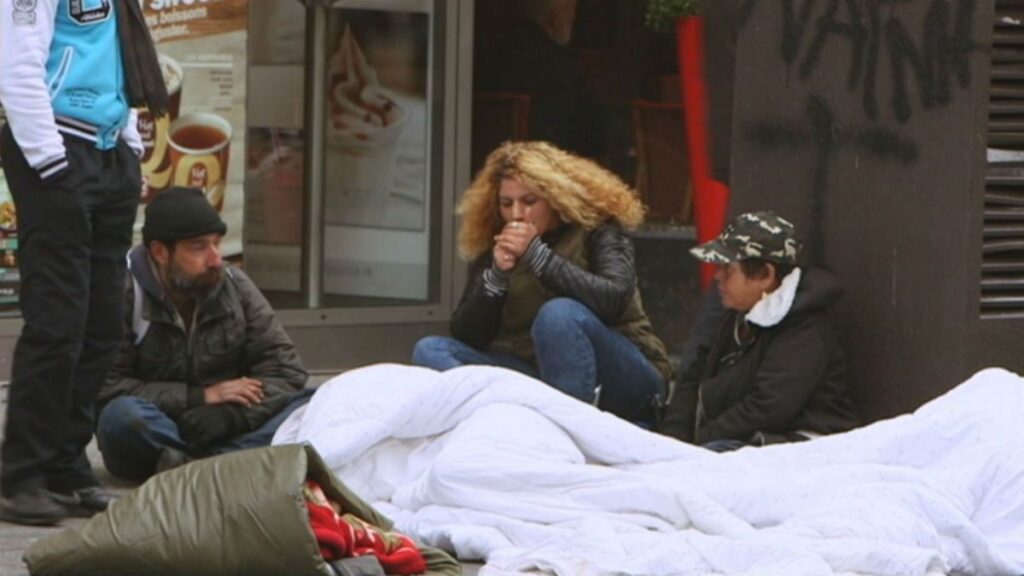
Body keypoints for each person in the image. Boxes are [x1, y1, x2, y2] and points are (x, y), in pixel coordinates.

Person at [0, 0, 168, 524]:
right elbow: (17, 67)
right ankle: (20, 475)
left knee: (102, 325)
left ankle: (64, 462)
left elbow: (117, 57)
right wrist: (49, 159)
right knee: (57, 323)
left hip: (107, 149)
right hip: (58, 147)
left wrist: (128, 145)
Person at [413, 141, 672, 424]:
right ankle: (513, 420)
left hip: (626, 372)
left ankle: (565, 428)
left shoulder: (599, 230)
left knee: (558, 314)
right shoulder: (498, 243)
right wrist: (496, 277)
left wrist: (538, 256)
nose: (517, 214)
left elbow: (613, 299)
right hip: (540, 375)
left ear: (555, 198)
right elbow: (468, 335)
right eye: (506, 204)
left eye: (529, 201)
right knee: (431, 350)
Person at [95, 187, 312, 482]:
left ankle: (196, 468)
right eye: (198, 247)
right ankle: (225, 467)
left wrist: (233, 416)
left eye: (216, 244)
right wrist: (198, 397)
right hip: (160, 428)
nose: (215, 259)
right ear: (160, 252)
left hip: (225, 427)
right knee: (122, 417)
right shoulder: (122, 291)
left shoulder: (234, 284)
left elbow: (286, 371)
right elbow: (107, 387)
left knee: (313, 404)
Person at [661, 211, 860, 451]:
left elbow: (768, 407)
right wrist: (672, 440)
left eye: (728, 269)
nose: (718, 276)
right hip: (734, 440)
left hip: (801, 448)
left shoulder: (805, 330)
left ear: (766, 275)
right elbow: (692, 380)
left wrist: (696, 446)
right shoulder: (735, 316)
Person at [474, 0, 607, 160]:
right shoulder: (559, 68)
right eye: (572, 16)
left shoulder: (489, 57)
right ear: (556, 20)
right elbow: (595, 133)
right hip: (545, 165)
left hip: (489, 164)